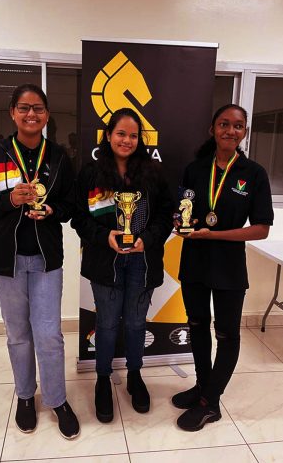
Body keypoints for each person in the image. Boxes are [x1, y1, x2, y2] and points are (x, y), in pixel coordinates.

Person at [0, 84, 79, 439]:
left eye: (39, 108)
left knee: (49, 335)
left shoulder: (59, 157)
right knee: (18, 334)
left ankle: (57, 399)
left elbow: (71, 206)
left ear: (47, 115)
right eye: (24, 108)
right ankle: (25, 396)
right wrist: (9, 201)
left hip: (46, 260)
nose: (31, 114)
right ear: (14, 112)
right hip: (5, 260)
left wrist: (52, 210)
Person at [172, 104, 274, 431]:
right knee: (198, 326)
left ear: (244, 132)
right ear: (213, 129)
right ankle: (203, 387)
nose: (230, 131)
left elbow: (261, 228)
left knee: (227, 334)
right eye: (224, 124)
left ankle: (211, 402)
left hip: (229, 266)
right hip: (195, 261)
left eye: (238, 126)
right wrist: (180, 221)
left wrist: (214, 233)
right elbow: (185, 206)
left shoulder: (253, 173)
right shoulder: (195, 169)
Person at [71, 107, 173, 423]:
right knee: (105, 324)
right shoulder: (90, 173)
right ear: (109, 136)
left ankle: (134, 375)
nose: (126, 140)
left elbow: (164, 216)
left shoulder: (153, 173)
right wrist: (105, 236)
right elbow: (79, 218)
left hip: (142, 263)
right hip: (106, 263)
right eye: (120, 133)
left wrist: (149, 238)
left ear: (139, 139)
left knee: (134, 323)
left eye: (132, 135)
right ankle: (103, 378)